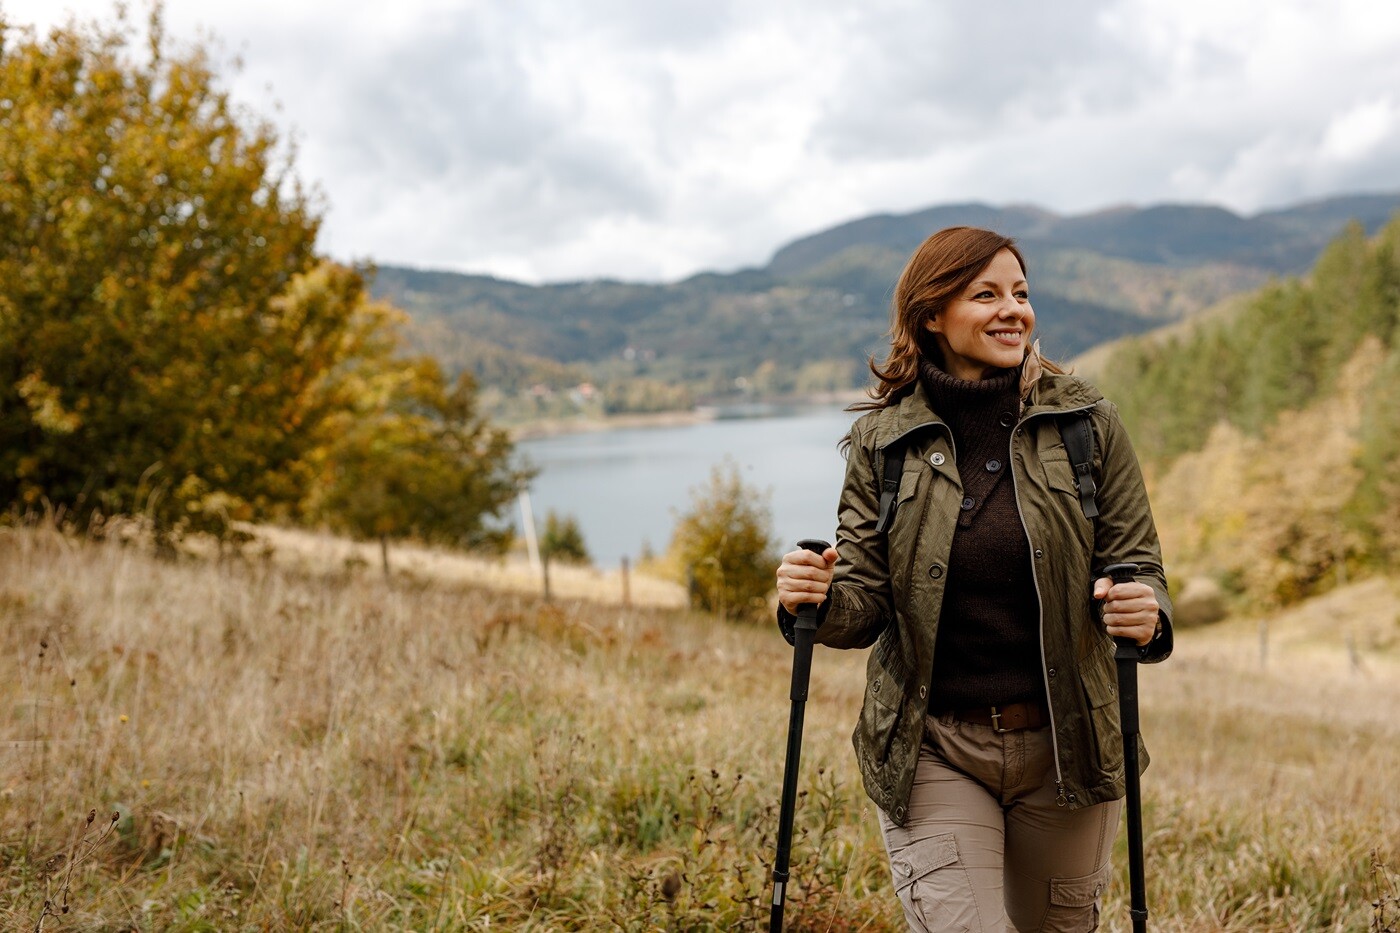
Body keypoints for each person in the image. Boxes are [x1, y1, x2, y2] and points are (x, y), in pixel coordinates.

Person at [775, 226, 1172, 932]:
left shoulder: (1087, 423)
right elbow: (862, 602)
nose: (1012, 309)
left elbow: (1137, 563)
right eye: (985, 293)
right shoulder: (883, 441)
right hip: (935, 748)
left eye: (1020, 293)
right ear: (931, 314)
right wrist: (815, 597)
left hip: (1068, 750)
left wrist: (1147, 611)